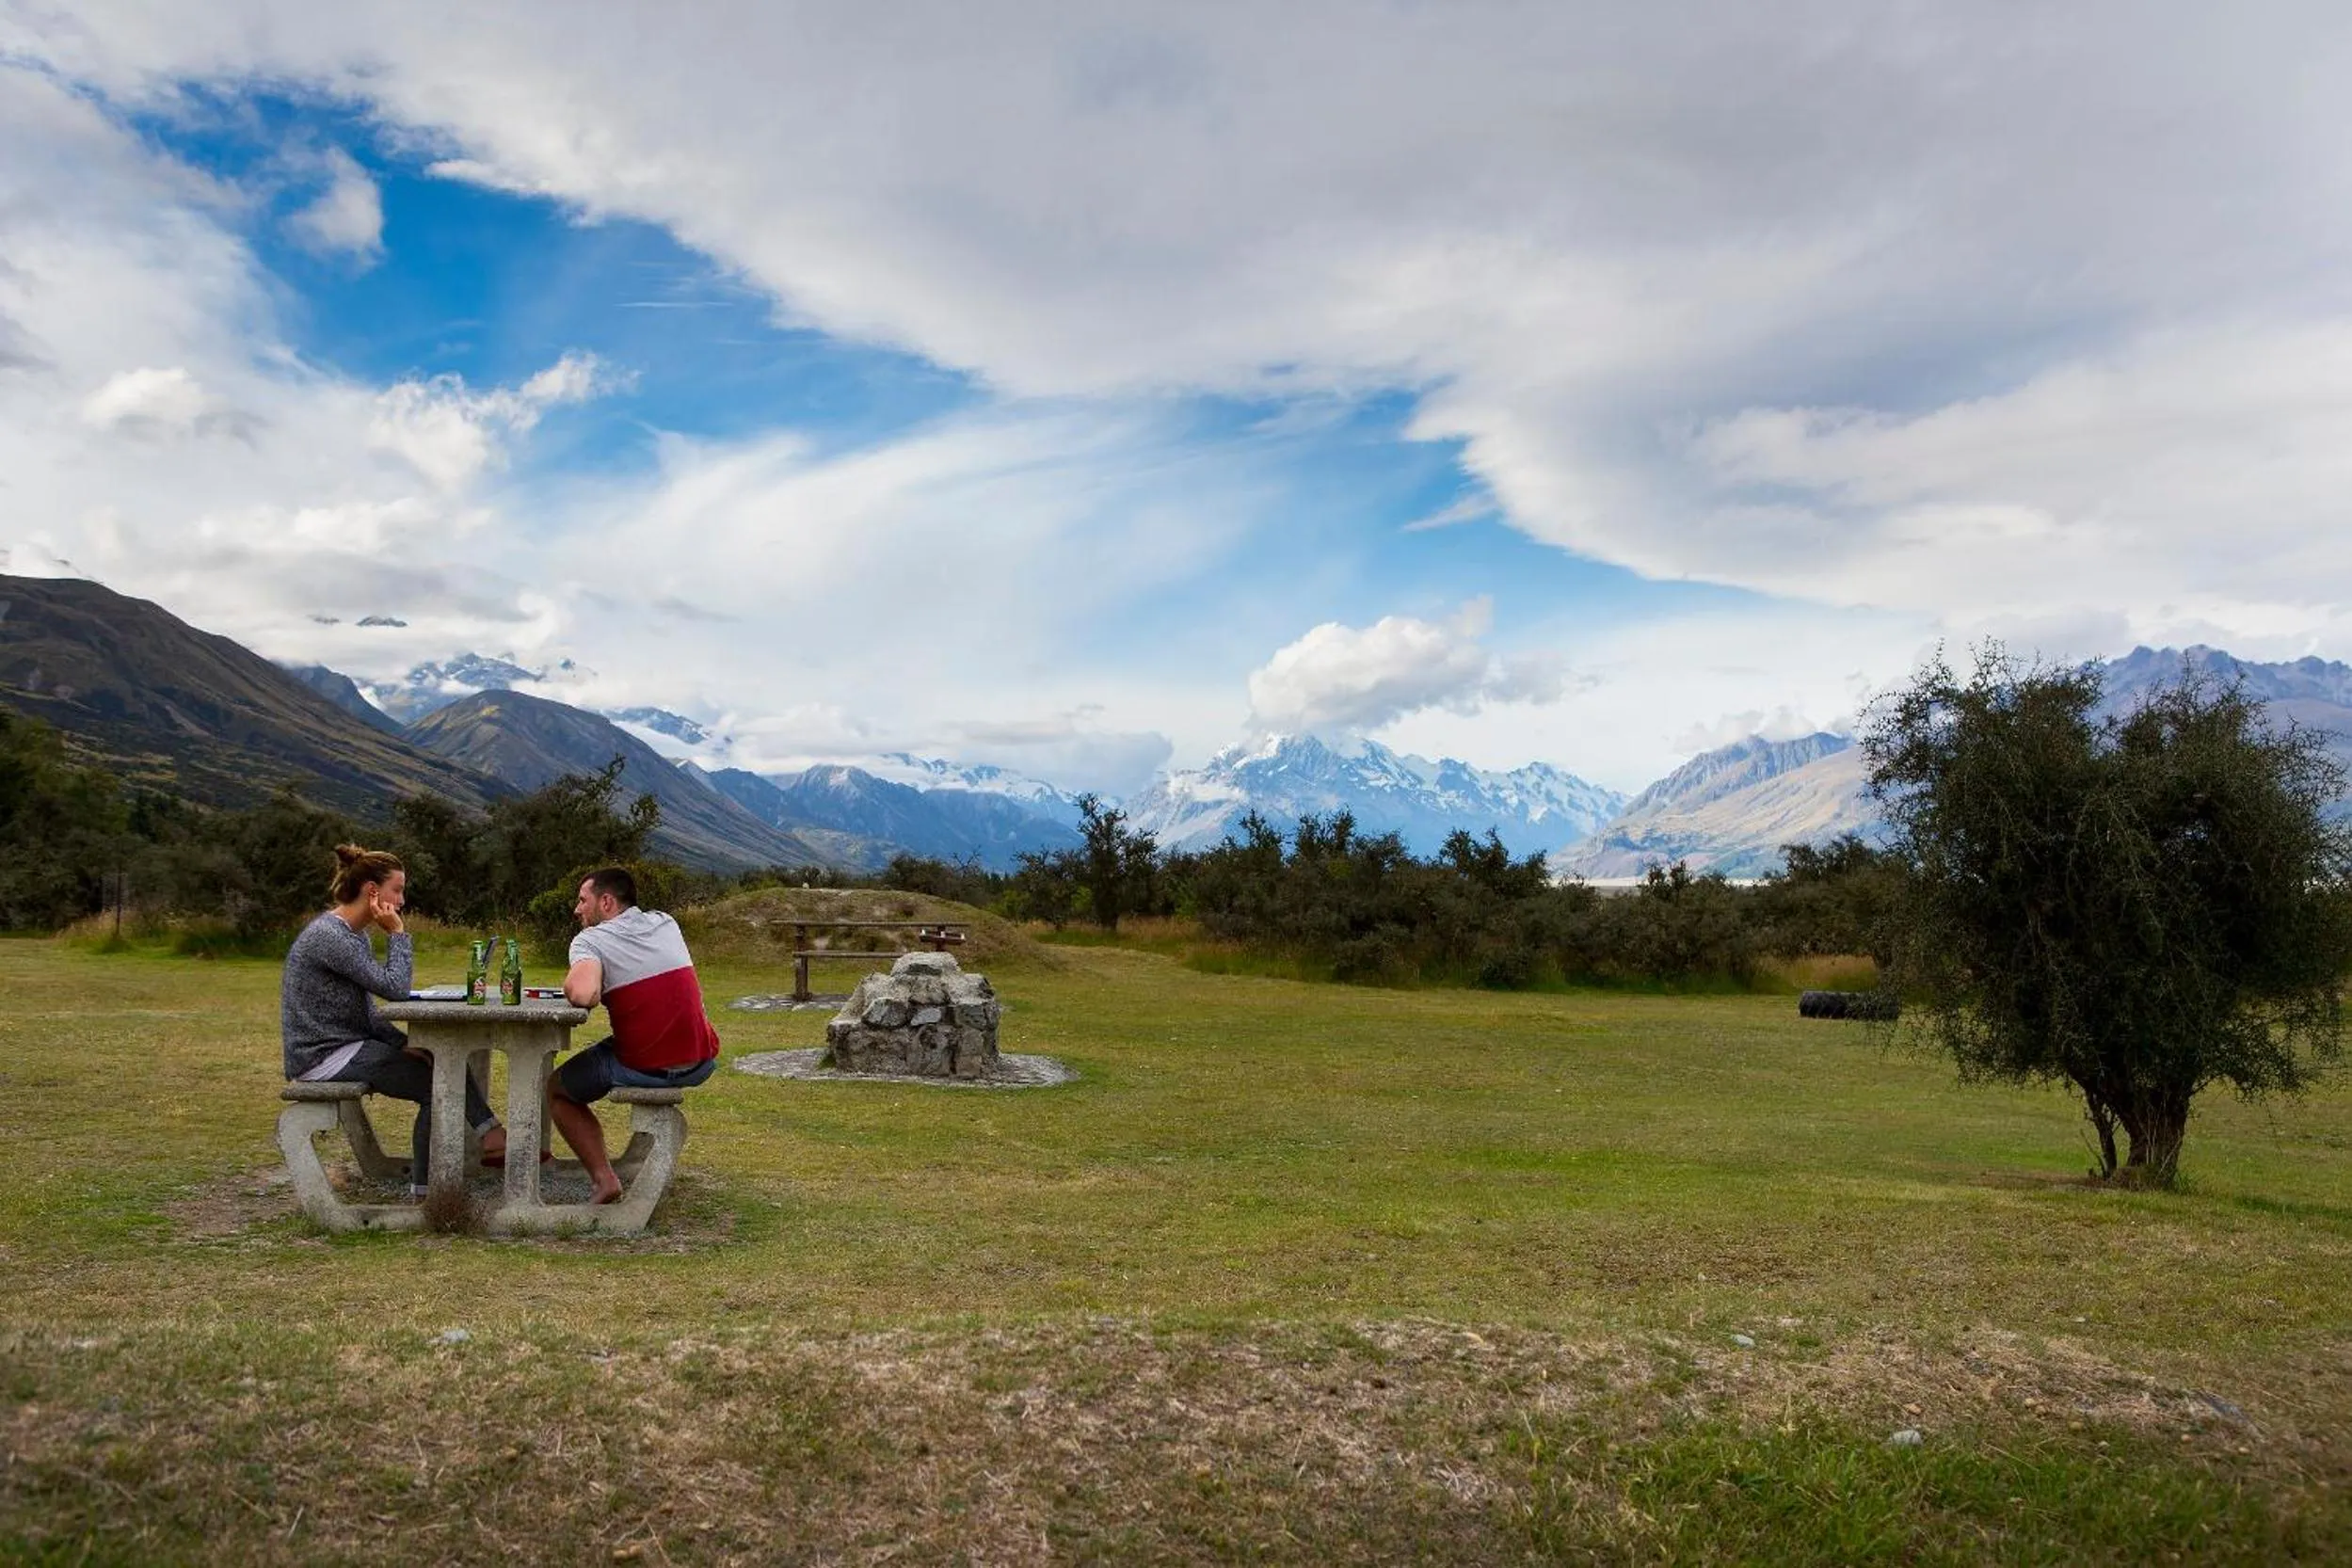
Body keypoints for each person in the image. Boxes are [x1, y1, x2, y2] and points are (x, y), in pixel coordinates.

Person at [281, 844, 506, 1196]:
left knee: (439, 1056)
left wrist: (405, 1043)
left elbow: (368, 1011)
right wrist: (398, 935)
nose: (401, 900)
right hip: (323, 1056)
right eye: (397, 890)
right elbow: (396, 989)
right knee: (439, 1085)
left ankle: (491, 1133)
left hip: (350, 1046)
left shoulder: (352, 935)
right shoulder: (330, 937)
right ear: (373, 891)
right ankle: (427, 1190)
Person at [552, 866, 721, 1204]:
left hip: (648, 1064)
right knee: (616, 1043)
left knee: (556, 1089)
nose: (577, 909)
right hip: (701, 1060)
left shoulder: (590, 940)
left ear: (606, 902)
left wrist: (576, 981)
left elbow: (584, 995)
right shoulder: (665, 922)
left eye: (582, 900)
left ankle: (604, 1180)